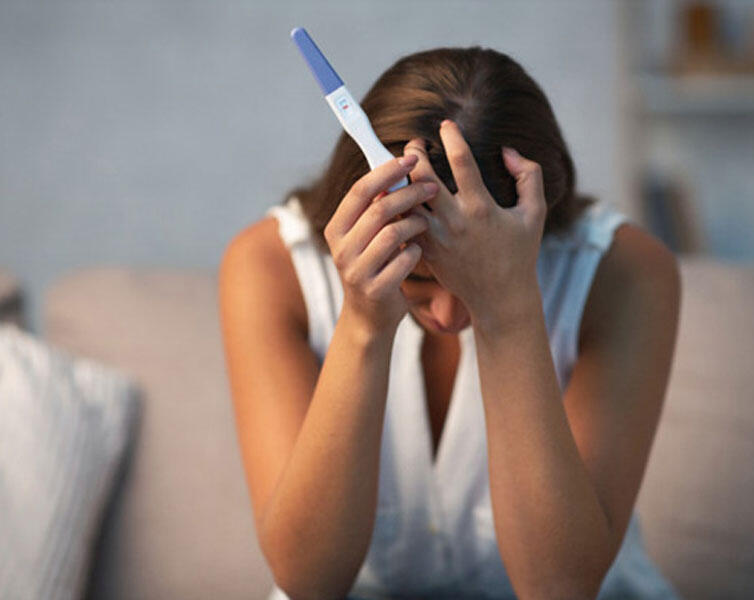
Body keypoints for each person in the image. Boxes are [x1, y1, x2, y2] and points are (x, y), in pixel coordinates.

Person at [219, 46, 683, 600]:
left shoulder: (626, 273)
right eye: (417, 282)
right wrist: (364, 326)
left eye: (467, 287)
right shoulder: (268, 267)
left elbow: (558, 587)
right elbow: (307, 581)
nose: (445, 315)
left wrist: (507, 309)